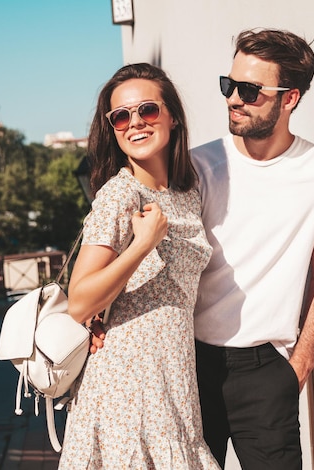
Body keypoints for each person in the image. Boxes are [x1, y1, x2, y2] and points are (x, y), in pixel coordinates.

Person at [190, 28, 314, 469]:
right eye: (229, 85)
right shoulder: (199, 167)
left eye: (250, 90)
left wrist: (300, 364)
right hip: (192, 364)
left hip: (266, 374)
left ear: (290, 98)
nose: (234, 98)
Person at [58, 63, 220, 469]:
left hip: (175, 382)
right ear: (112, 128)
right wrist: (142, 246)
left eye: (147, 110)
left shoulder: (188, 191)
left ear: (173, 117)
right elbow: (78, 302)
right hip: (125, 390)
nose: (135, 124)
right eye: (121, 116)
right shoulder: (119, 194)